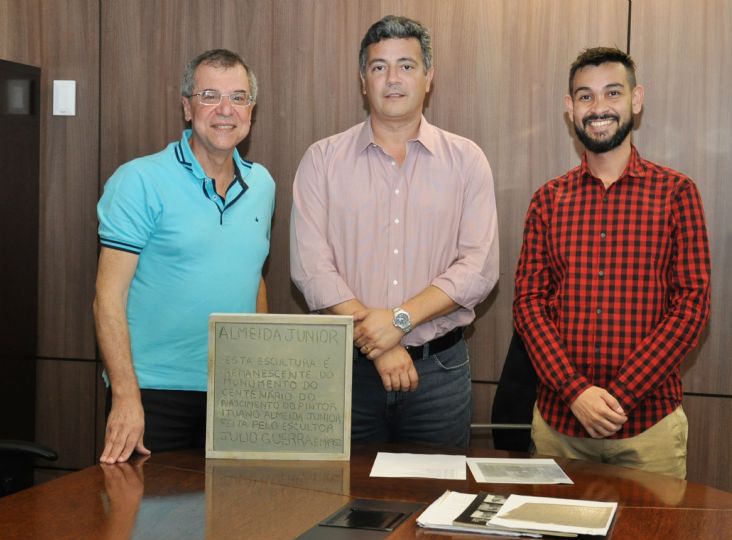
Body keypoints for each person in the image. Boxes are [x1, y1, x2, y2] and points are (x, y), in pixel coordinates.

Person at [290, 15, 499, 447]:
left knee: (435, 504)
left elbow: (478, 269)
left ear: (429, 78)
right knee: (344, 508)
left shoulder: (467, 160)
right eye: (378, 66)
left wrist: (399, 321)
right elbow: (311, 270)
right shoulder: (321, 160)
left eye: (406, 65)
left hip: (438, 374)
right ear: (363, 80)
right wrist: (381, 344)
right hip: (345, 371)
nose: (392, 79)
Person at [513, 47, 711, 478]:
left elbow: (692, 307)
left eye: (612, 93)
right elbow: (528, 305)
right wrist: (576, 391)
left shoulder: (677, 193)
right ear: (570, 108)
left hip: (649, 430)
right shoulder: (547, 201)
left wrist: (620, 396)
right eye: (585, 96)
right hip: (560, 427)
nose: (598, 107)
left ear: (636, 100)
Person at [94, 49, 275, 463]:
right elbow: (108, 298)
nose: (225, 110)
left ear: (251, 110)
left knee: (237, 524)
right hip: (155, 394)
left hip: (236, 395)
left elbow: (252, 276)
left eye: (239, 97)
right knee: (147, 525)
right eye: (210, 96)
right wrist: (125, 396)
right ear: (187, 107)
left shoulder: (263, 184)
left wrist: (263, 379)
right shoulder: (139, 180)